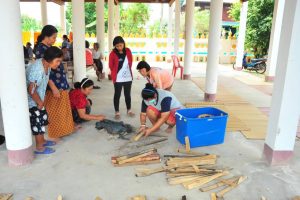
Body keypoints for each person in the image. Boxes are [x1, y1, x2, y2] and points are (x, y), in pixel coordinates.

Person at [35, 25, 75, 142]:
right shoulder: (40, 49)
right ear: (46, 36)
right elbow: (45, 70)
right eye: (53, 37)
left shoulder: (48, 47)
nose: (54, 40)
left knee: (62, 108)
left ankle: (64, 129)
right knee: (54, 110)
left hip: (60, 82)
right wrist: (53, 87)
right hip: (53, 85)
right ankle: (54, 133)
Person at [26, 46, 63, 154]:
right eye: (57, 61)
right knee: (37, 122)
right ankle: (39, 147)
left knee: (41, 120)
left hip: (38, 99)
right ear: (50, 59)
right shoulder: (38, 69)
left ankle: (42, 141)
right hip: (32, 101)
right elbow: (31, 89)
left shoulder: (47, 65)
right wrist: (39, 102)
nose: (58, 64)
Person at [109, 36, 135, 120]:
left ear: (123, 44)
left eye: (121, 45)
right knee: (117, 95)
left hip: (128, 77)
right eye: (117, 46)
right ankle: (117, 111)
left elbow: (131, 61)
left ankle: (129, 110)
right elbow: (111, 65)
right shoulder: (112, 54)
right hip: (118, 78)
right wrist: (115, 73)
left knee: (127, 94)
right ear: (115, 46)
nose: (119, 47)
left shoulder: (128, 51)